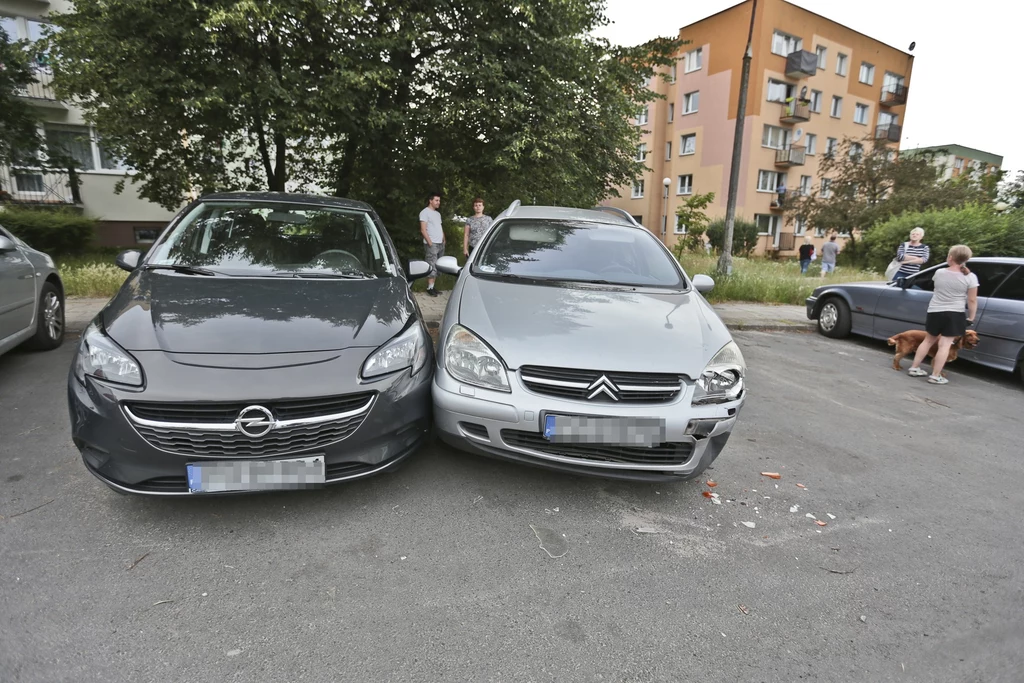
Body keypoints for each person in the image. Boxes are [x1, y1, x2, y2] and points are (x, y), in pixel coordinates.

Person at [907, 245, 978, 385]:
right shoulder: (971, 277)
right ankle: (935, 375)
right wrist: (971, 317)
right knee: (945, 345)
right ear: (966, 259)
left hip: (935, 311)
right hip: (955, 314)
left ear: (950, 257)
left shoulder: (939, 272)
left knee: (927, 340)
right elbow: (972, 300)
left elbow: (938, 288)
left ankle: (914, 368)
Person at [419, 192, 445, 296]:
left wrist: (444, 238)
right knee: (432, 264)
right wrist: (429, 242)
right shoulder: (425, 212)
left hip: (440, 243)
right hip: (432, 243)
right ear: (430, 201)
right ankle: (429, 288)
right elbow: (423, 229)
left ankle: (433, 286)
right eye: (436, 200)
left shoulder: (438, 214)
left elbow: (440, 227)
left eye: (439, 200)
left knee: (438, 265)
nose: (438, 202)